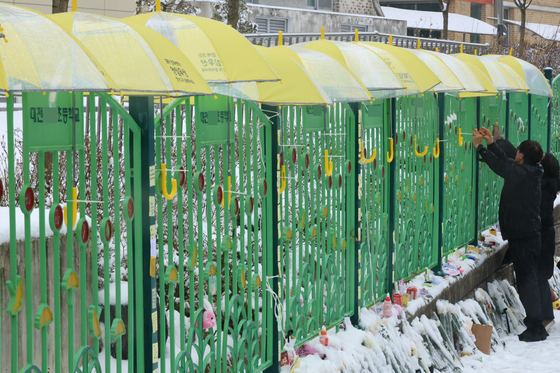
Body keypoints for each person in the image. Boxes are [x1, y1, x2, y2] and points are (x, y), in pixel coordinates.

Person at [473, 127, 547, 342]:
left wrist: (479, 146)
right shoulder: (529, 171)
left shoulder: (525, 174)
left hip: (525, 236)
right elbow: (506, 162)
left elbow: (502, 166)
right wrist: (490, 143)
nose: (515, 152)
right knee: (527, 280)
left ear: (522, 155)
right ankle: (535, 324)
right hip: (525, 234)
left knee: (526, 282)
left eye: (518, 151)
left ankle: (536, 327)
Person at [492, 124, 559, 328]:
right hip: (542, 235)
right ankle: (544, 316)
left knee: (535, 278)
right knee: (539, 277)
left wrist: (492, 145)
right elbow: (518, 160)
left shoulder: (537, 185)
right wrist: (499, 142)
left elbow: (515, 164)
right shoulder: (544, 182)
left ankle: (541, 319)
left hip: (537, 236)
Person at [538, 153, 560, 327]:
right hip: (546, 232)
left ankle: (546, 316)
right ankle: (544, 315)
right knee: (540, 274)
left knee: (539, 275)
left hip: (542, 233)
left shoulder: (542, 186)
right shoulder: (551, 184)